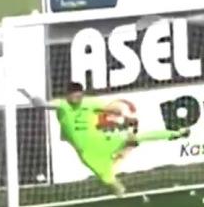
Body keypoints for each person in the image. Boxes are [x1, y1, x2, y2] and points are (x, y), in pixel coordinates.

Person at [20, 82, 189, 197]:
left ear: (82, 94)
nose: (76, 99)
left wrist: (124, 115)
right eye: (73, 96)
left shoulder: (90, 103)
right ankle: (124, 195)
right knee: (108, 179)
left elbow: (113, 108)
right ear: (68, 95)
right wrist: (29, 95)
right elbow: (42, 104)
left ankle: (177, 133)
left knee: (138, 137)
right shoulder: (62, 105)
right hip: (87, 152)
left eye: (78, 95)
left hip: (103, 140)